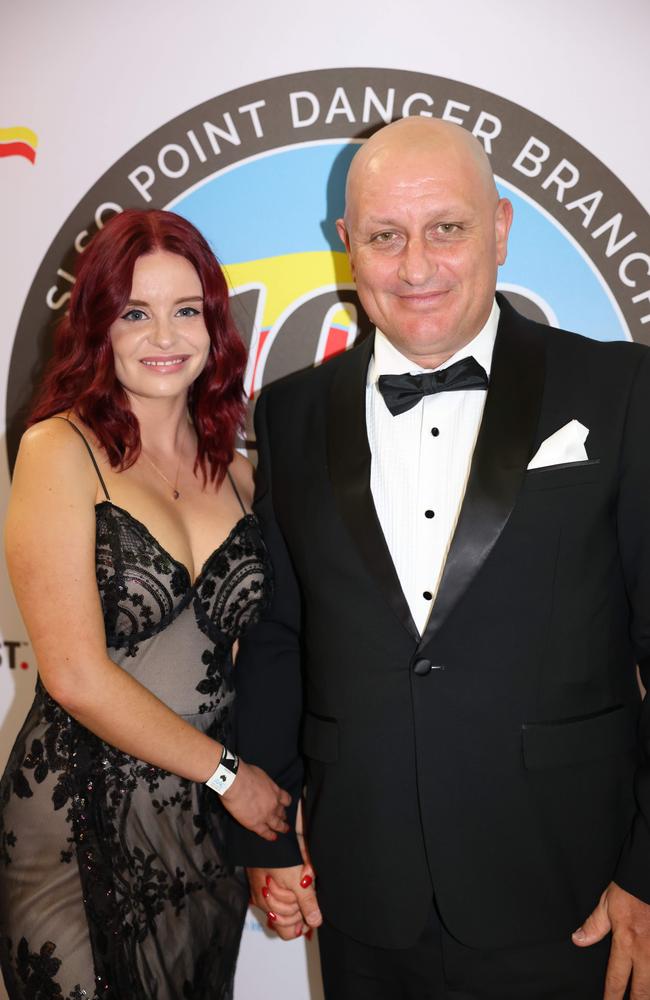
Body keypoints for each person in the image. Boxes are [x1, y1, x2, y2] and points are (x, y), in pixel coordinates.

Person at [229, 118, 650, 999]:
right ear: (348, 247)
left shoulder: (620, 392)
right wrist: (269, 836)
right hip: (362, 894)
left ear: (499, 227)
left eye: (446, 229)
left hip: (575, 890)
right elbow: (279, 635)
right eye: (385, 236)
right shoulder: (291, 414)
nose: (415, 267)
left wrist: (648, 868)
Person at [0, 208, 291, 1000]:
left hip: (199, 835)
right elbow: (73, 675)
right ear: (100, 326)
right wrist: (235, 776)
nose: (165, 334)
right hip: (77, 827)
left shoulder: (238, 471)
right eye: (135, 312)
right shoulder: (58, 449)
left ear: (214, 325)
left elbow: (253, 661)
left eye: (185, 310)